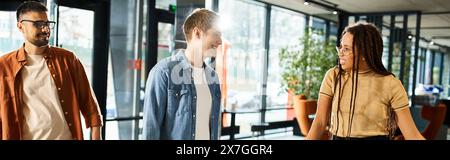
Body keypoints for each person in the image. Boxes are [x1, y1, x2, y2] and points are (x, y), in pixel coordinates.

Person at [0, 1, 102, 140]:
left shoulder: (68, 59)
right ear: (20, 27)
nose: (45, 29)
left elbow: (89, 104)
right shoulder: (4, 65)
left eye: (47, 23)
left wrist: (97, 136)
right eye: (37, 24)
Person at [306, 22, 425, 140]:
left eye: (346, 49)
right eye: (340, 47)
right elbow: (320, 122)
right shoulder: (333, 76)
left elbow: (412, 135)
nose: (340, 53)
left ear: (364, 53)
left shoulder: (391, 84)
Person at [143, 8, 223, 140]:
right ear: (197, 33)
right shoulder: (163, 72)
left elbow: (213, 128)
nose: (220, 41)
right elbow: (151, 129)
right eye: (216, 34)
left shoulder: (213, 77)